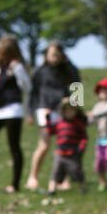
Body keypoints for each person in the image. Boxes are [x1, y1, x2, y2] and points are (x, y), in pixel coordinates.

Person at [26, 42, 80, 190]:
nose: (55, 57)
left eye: (57, 54)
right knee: (44, 145)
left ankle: (61, 180)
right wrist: (30, 112)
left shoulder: (68, 70)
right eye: (52, 54)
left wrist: (76, 107)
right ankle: (32, 177)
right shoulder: (39, 71)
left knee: (65, 144)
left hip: (63, 110)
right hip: (44, 110)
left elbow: (77, 84)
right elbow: (32, 93)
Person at [0, 36, 31, 192]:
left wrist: (17, 70)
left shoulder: (18, 67)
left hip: (12, 109)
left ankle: (15, 184)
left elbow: (27, 88)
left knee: (14, 146)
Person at [47, 96, 88, 193]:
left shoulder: (77, 124)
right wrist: (47, 119)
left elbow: (84, 137)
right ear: (63, 111)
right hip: (60, 153)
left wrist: (81, 148)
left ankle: (83, 188)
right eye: (67, 110)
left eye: (72, 110)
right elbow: (51, 131)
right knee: (55, 171)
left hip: (73, 153)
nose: (69, 112)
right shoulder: (59, 122)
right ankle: (51, 189)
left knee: (77, 171)